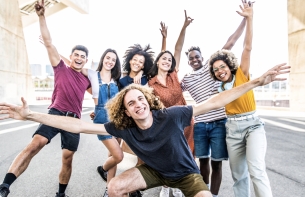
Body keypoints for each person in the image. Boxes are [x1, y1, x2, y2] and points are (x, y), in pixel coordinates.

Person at [0, 63, 290, 197]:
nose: (137, 104)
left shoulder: (172, 115)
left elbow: (215, 100)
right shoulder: (122, 127)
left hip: (186, 175)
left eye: (141, 99)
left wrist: (256, 82)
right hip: (153, 172)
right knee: (114, 187)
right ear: (126, 111)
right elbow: (76, 124)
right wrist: (31, 116)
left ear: (149, 102)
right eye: (130, 102)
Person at [0, 0, 91, 197]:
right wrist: (41, 16)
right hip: (54, 113)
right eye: (76, 54)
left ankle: (61, 193)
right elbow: (49, 43)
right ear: (71, 56)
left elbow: (101, 96)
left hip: (73, 120)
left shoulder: (87, 80)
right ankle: (4, 187)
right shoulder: (60, 67)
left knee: (68, 158)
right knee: (34, 145)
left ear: (86, 61)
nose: (79, 58)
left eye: (82, 56)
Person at [177, 0, 248, 197]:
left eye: (197, 56)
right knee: (203, 162)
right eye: (191, 58)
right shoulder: (187, 79)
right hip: (200, 125)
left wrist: (245, 19)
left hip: (219, 123)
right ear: (188, 62)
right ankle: (204, 193)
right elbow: (171, 89)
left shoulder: (212, 67)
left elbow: (231, 42)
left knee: (217, 164)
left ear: (202, 56)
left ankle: (214, 195)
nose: (195, 59)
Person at [208, 0, 273, 197]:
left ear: (229, 66)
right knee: (238, 176)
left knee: (256, 170)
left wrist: (250, 19)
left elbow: (247, 47)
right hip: (232, 130)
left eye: (222, 67)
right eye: (216, 69)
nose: (220, 71)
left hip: (253, 125)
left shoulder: (242, 74)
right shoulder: (219, 88)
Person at [147, 11, 194, 197]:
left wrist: (183, 27)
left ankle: (180, 185)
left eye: (169, 60)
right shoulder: (151, 83)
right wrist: (163, 40)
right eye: (163, 58)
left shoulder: (174, 75)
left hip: (185, 121)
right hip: (166, 124)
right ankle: (166, 185)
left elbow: (178, 48)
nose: (167, 61)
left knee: (186, 154)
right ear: (157, 61)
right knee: (168, 154)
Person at [85, 49, 123, 197]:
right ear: (103, 58)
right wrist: (51, 47)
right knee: (117, 156)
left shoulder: (117, 79)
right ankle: (103, 169)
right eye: (108, 58)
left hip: (117, 120)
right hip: (101, 121)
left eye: (113, 59)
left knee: (112, 155)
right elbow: (72, 64)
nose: (110, 61)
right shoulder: (93, 75)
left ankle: (109, 190)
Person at [119, 44, 154, 197]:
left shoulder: (147, 77)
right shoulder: (122, 80)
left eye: (141, 62)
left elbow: (160, 61)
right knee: (129, 155)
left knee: (144, 155)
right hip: (129, 122)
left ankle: (135, 188)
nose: (137, 63)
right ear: (129, 60)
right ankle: (130, 187)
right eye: (135, 60)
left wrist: (164, 38)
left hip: (146, 121)